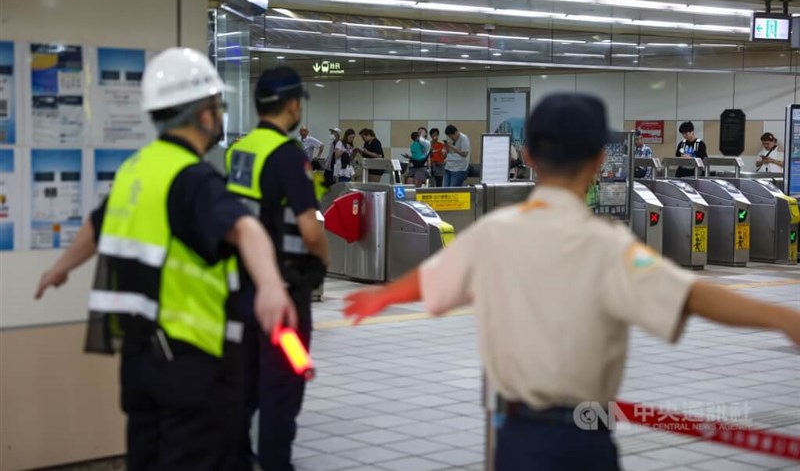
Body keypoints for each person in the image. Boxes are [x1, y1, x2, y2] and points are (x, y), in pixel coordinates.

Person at [342, 93, 800, 471]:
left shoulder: (493, 234)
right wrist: (779, 317)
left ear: (527, 156)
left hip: (515, 438)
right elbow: (690, 295)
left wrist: (381, 296)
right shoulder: (608, 246)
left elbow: (433, 278)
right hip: (586, 438)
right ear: (601, 160)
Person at [34, 48, 296, 471]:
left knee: (147, 459)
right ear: (203, 115)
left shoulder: (135, 170)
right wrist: (270, 285)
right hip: (193, 363)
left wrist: (60, 268)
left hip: (139, 362)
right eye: (217, 106)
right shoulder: (191, 179)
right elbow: (246, 229)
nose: (219, 115)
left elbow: (95, 227)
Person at [225, 66, 329, 471]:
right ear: (291, 104)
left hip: (242, 289)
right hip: (284, 294)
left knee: (246, 386)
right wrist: (324, 258)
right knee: (282, 389)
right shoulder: (288, 156)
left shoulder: (239, 151)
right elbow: (309, 226)